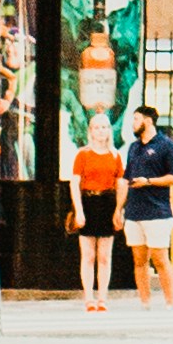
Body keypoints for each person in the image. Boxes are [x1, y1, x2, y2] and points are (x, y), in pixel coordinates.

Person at [119, 99, 173, 307]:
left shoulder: (167, 146)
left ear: (148, 121)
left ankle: (170, 302)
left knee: (160, 259)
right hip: (135, 212)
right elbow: (126, 179)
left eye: (136, 119)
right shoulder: (134, 148)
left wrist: (149, 182)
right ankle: (145, 302)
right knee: (139, 260)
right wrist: (119, 208)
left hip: (157, 211)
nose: (133, 123)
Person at [68, 113, 125, 310]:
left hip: (107, 202)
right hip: (88, 201)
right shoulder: (82, 155)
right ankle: (88, 297)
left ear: (109, 130)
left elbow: (120, 185)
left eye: (105, 127)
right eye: (97, 127)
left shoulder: (115, 156)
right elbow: (75, 183)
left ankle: (103, 298)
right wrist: (79, 210)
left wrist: (119, 210)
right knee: (88, 254)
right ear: (90, 131)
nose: (101, 131)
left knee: (104, 255)